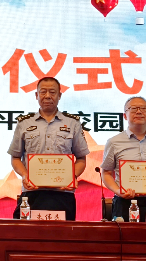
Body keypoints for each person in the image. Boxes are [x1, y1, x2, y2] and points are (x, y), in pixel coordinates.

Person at [9, 77, 88, 220]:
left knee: (63, 233)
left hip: (63, 193)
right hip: (32, 193)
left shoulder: (73, 123)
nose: (47, 96)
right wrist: (25, 175)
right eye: (43, 92)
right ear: (36, 95)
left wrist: (72, 177)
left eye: (52, 92)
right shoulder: (24, 123)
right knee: (26, 233)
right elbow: (15, 157)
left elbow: (81, 158)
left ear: (59, 95)